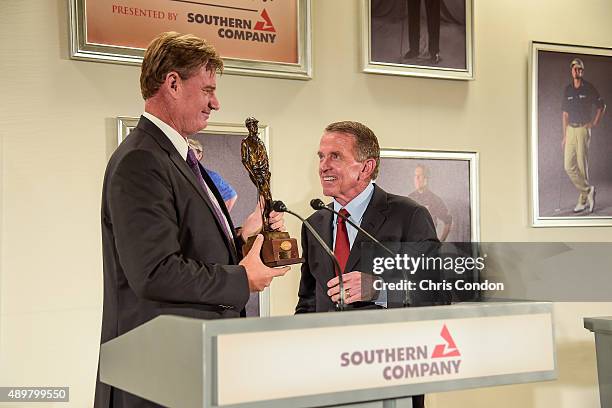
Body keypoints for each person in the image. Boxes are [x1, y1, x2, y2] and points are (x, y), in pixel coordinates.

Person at [95, 32, 289, 408]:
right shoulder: (142, 161)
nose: (216, 103)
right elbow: (155, 272)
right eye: (208, 90)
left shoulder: (172, 156)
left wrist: (240, 236)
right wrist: (243, 277)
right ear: (172, 83)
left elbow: (185, 245)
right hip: (161, 377)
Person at [295, 121, 441, 408]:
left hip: (388, 376)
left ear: (366, 167)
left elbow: (436, 292)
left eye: (335, 156)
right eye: (321, 157)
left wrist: (380, 289)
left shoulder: (409, 215)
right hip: (327, 377)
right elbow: (309, 301)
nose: (323, 166)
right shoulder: (313, 223)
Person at [562, 58, 606, 213]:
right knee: (568, 166)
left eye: (579, 69)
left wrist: (594, 123)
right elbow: (565, 114)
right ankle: (588, 191)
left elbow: (602, 106)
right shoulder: (568, 89)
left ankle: (582, 200)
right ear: (571, 70)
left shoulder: (588, 88)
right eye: (574, 68)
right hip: (570, 130)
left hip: (582, 130)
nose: (577, 71)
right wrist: (564, 135)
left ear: (582, 71)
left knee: (582, 165)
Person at [187, 138, 238, 212]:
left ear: (199, 155)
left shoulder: (210, 176)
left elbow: (231, 195)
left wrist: (221, 218)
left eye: (190, 152)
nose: (187, 156)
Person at [408, 164, 452, 241]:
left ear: (426, 179)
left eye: (419, 176)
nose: (416, 179)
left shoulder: (434, 200)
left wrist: (440, 242)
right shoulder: (410, 198)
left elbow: (448, 221)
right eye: (415, 176)